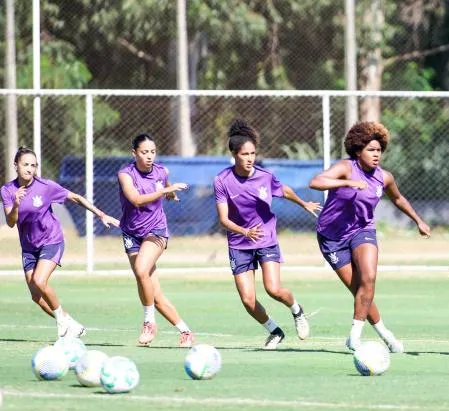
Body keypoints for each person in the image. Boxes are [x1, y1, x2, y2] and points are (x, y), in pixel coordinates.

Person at [309, 121, 432, 352]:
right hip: (331, 238)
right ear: (358, 151)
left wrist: (419, 220)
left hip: (362, 230)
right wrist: (347, 182)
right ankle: (385, 333)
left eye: (379, 150)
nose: (376, 155)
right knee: (359, 289)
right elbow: (315, 182)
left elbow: (398, 199)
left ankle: (354, 336)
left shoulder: (384, 177)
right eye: (371, 150)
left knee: (369, 278)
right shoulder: (346, 167)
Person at [214, 119, 320, 350]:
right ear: (234, 154)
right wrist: (244, 231)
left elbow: (285, 190)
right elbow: (224, 219)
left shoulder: (264, 176)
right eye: (245, 154)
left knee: (273, 289)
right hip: (239, 243)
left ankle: (297, 310)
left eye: (253, 153)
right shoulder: (222, 180)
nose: (250, 158)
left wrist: (304, 204)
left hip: (265, 239)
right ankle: (275, 330)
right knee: (248, 300)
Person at [1, 147, 120, 338]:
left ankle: (62, 323)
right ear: (16, 165)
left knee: (40, 281)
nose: (30, 169)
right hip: (29, 247)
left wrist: (101, 214)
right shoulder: (7, 190)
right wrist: (16, 204)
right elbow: (10, 222)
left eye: (33, 165)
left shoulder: (45, 186)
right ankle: (69, 322)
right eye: (25, 164)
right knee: (36, 296)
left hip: (51, 240)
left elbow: (76, 198)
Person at [118, 133, 195, 347]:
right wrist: (165, 191)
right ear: (134, 153)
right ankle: (185, 331)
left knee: (141, 271)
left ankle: (149, 323)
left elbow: (164, 184)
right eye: (144, 152)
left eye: (152, 151)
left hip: (156, 230)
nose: (149, 156)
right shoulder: (125, 174)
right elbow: (135, 200)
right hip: (131, 233)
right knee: (153, 291)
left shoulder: (161, 171)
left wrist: (170, 193)